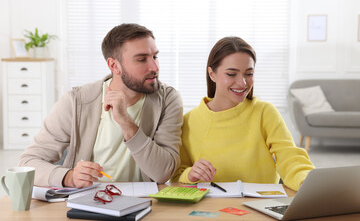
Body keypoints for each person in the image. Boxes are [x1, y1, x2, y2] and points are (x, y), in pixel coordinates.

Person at [18, 23, 183, 188]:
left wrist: (126, 122)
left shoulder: (168, 99)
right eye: (141, 59)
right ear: (114, 66)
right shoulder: (76, 101)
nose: (154, 67)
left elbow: (163, 173)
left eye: (155, 57)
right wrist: (69, 177)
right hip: (89, 201)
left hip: (143, 203)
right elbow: (28, 162)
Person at [171, 36, 314, 191]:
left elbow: (290, 157)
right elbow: (177, 177)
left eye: (249, 73)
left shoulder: (265, 112)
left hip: (260, 207)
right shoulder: (189, 121)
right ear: (212, 74)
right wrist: (190, 175)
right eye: (231, 74)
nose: (242, 83)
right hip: (210, 209)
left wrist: (308, 183)